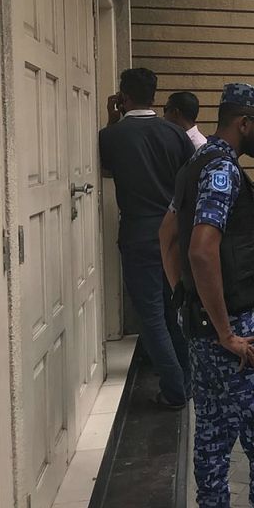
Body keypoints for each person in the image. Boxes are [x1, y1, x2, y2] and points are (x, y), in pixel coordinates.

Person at [159, 83, 254, 508]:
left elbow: (166, 236)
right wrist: (225, 333)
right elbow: (201, 250)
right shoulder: (224, 171)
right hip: (233, 335)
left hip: (202, 331)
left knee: (213, 435)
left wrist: (185, 297)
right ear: (244, 123)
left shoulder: (193, 164)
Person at [99, 67, 194, 409]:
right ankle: (186, 380)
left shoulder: (112, 136)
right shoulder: (175, 133)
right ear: (154, 96)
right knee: (172, 312)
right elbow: (190, 178)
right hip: (174, 235)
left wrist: (112, 121)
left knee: (152, 316)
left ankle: (174, 390)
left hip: (138, 235)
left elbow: (106, 170)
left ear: (122, 97)